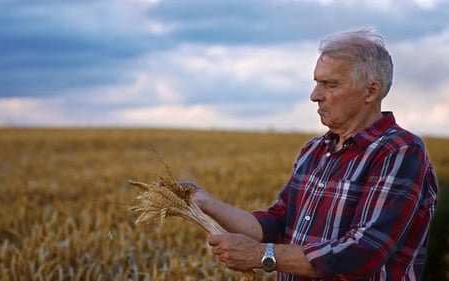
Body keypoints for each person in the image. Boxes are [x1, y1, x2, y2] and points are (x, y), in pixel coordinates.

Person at [184, 28, 439, 280]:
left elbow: (363, 252)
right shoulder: (314, 150)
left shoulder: (400, 151)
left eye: (330, 85)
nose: (315, 96)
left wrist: (263, 255)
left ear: (371, 91)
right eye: (317, 82)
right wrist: (207, 204)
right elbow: (276, 224)